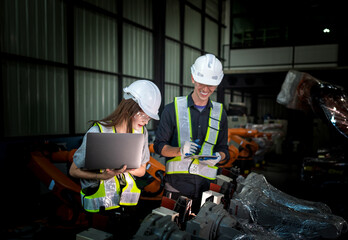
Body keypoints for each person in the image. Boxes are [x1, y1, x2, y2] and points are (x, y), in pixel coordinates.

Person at [69, 79, 161, 214]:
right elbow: (73, 171)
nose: (146, 122)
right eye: (143, 115)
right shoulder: (98, 132)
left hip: (127, 205)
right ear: (129, 108)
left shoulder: (141, 132)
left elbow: (141, 170)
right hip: (100, 209)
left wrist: (123, 169)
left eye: (149, 118)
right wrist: (102, 176)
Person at [153, 53, 229, 214]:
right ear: (193, 78)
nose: (206, 89)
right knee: (171, 230)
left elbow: (224, 149)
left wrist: (219, 157)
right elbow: (159, 146)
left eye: (211, 85)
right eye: (202, 83)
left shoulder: (220, 113)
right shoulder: (172, 109)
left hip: (207, 188)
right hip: (176, 186)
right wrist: (179, 150)